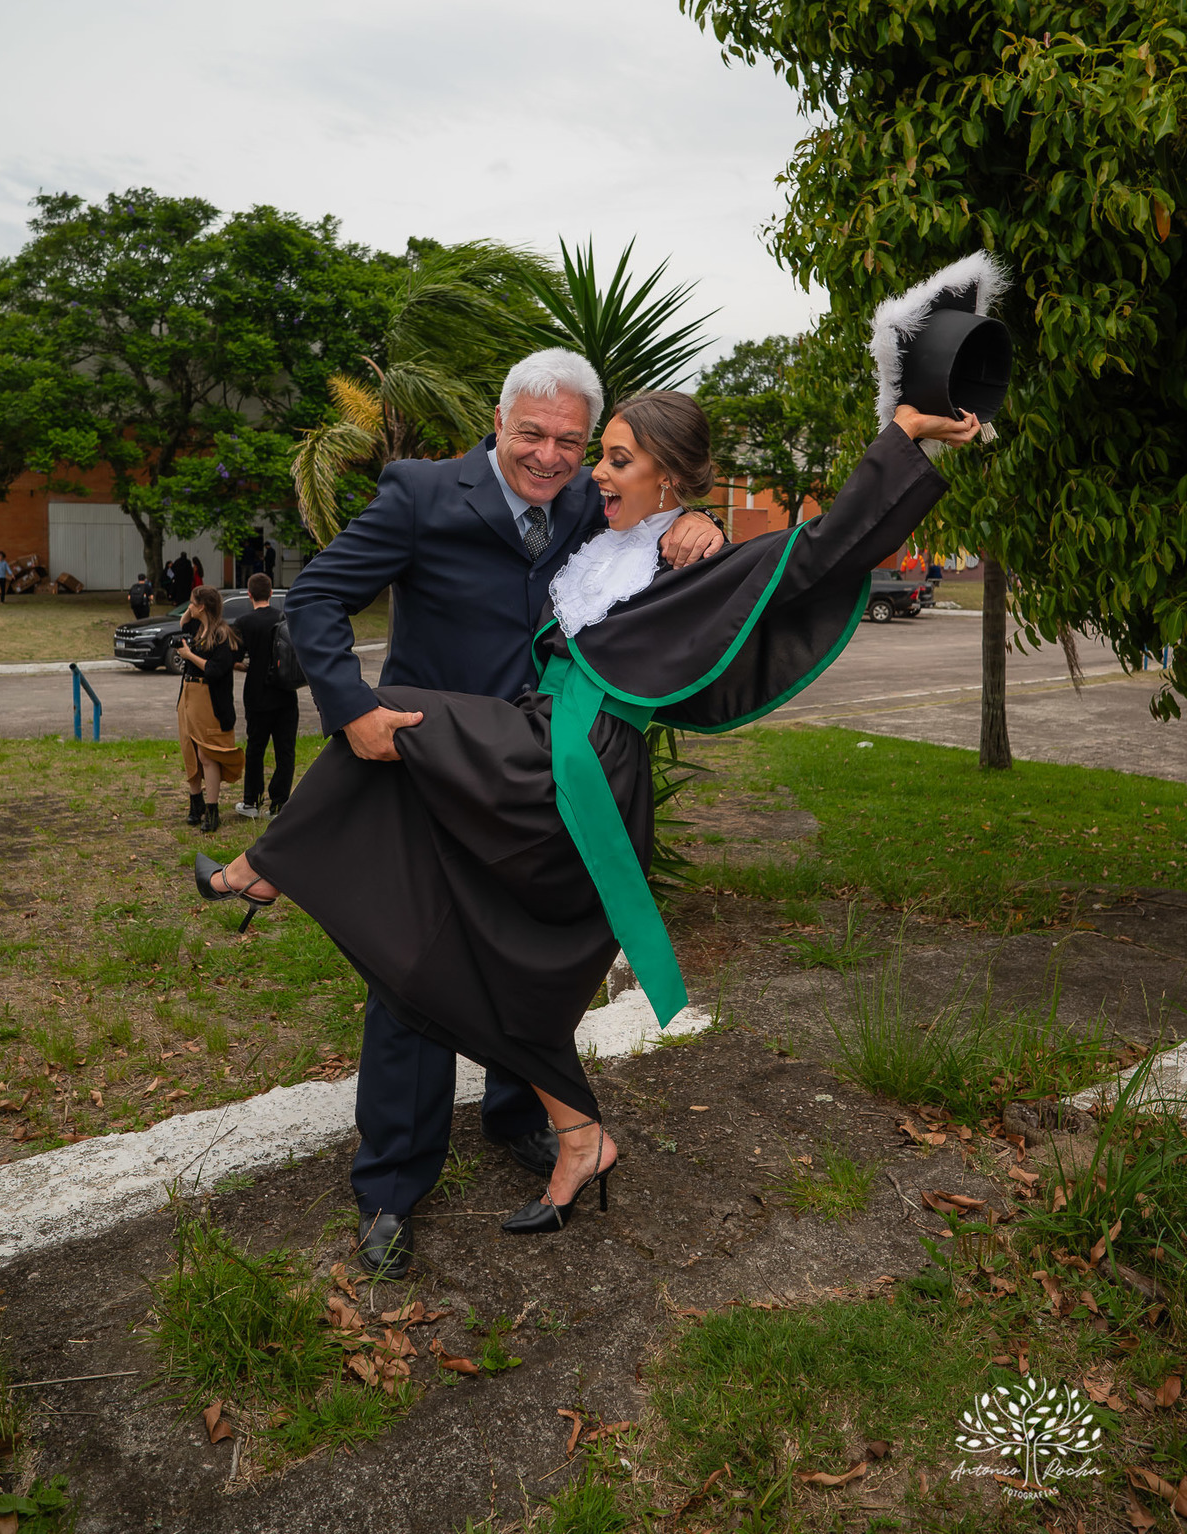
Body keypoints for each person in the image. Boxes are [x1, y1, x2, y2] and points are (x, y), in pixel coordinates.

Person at [196, 386, 977, 1270]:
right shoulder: (587, 525)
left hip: (569, 759)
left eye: (610, 457)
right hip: (534, 746)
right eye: (578, 449)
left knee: (396, 720)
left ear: (670, 475)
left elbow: (821, 549)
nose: (582, 469)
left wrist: (902, 435)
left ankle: (265, 870)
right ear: (501, 428)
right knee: (457, 945)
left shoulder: (686, 558)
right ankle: (548, 1140)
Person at [200, 351, 723, 1279]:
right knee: (412, 973)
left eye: (571, 441)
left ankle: (520, 1115)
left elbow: (650, 514)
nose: (552, 457)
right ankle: (393, 1184)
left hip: (530, 780)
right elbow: (317, 596)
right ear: (497, 420)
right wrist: (351, 707)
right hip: (425, 767)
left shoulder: (586, 503)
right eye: (532, 434)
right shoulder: (418, 495)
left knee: (520, 954)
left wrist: (700, 528)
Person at [230, 572, 298, 819]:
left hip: (257, 694)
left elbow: (235, 657)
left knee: (255, 748)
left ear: (249, 594)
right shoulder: (284, 618)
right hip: (285, 693)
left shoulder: (244, 622)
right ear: (271, 593)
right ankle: (279, 805)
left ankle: (252, 802)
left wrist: (243, 665)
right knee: (285, 751)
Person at [176, 585, 244, 832]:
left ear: (202, 606)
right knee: (190, 750)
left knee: (207, 753)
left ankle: (212, 811)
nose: (189, 607)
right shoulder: (196, 628)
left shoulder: (222, 634)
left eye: (192, 602)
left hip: (209, 699)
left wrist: (188, 656)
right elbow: (183, 624)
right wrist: (190, 610)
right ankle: (196, 803)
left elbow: (216, 669)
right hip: (188, 695)